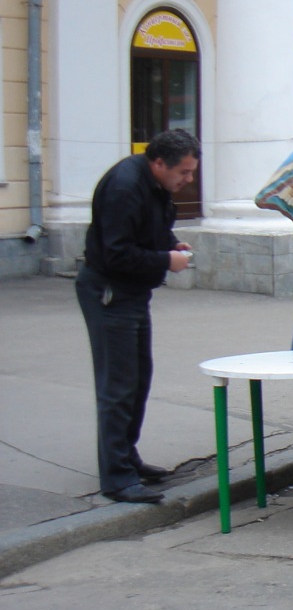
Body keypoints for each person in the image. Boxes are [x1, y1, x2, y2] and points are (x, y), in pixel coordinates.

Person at [76, 128, 199, 503]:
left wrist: (169, 243)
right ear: (159, 163)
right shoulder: (125, 188)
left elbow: (149, 229)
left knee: (138, 379)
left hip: (132, 292)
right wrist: (166, 260)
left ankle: (127, 459)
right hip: (110, 292)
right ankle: (116, 478)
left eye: (192, 172)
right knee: (118, 386)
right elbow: (117, 253)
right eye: (184, 173)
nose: (188, 180)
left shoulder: (155, 185)